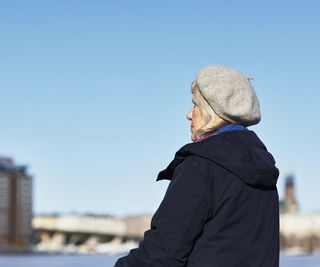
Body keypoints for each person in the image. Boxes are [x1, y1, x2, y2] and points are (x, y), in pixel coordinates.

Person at [114, 65, 280, 267]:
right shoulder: (262, 170)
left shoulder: (202, 165)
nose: (189, 114)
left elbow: (161, 254)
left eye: (196, 105)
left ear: (215, 111)